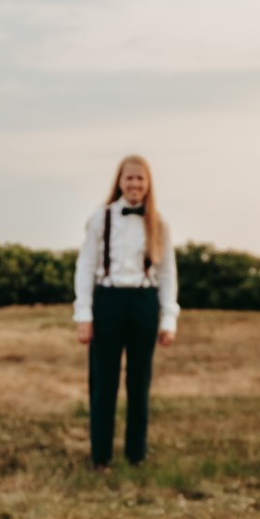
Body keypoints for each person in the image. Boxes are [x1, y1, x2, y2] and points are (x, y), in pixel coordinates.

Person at [73, 155, 179, 469]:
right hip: (108, 300)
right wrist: (84, 314)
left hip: (143, 302)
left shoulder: (159, 223)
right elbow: (86, 266)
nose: (134, 184)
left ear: (148, 184)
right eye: (129, 178)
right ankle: (101, 457)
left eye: (140, 179)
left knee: (139, 380)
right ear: (119, 182)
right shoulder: (100, 218)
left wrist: (168, 317)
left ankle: (136, 455)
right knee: (103, 381)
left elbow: (169, 273)